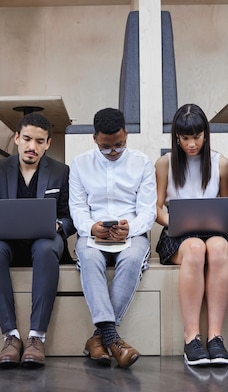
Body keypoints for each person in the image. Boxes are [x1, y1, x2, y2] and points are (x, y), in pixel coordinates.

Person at [0, 113, 75, 369]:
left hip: (45, 241)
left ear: (48, 144)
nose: (31, 146)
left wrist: (57, 225)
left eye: (39, 141)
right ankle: (10, 336)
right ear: (16, 138)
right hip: (9, 242)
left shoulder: (61, 171)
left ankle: (36, 337)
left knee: (46, 248)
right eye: (26, 139)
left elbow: (70, 218)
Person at [69, 107, 156, 369]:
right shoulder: (80, 164)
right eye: (106, 147)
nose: (114, 151)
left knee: (131, 259)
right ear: (94, 138)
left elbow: (148, 211)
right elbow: (78, 208)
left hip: (132, 232)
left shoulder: (142, 162)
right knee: (87, 254)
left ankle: (100, 338)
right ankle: (112, 337)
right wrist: (91, 227)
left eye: (119, 144)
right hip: (92, 233)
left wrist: (131, 228)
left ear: (126, 135)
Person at [154, 103, 228, 366]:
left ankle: (215, 337)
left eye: (196, 137)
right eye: (184, 138)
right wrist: (174, 221)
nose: (191, 144)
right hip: (177, 235)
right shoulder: (164, 164)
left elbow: (225, 205)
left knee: (219, 248)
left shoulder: (220, 163)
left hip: (212, 233)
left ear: (205, 135)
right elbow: (156, 208)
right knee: (196, 248)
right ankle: (191, 337)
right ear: (176, 136)